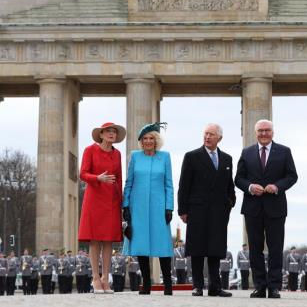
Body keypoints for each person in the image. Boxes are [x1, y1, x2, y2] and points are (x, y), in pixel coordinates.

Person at [234, 119, 298, 299]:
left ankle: (275, 287)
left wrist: (277, 187)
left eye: (267, 130)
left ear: (273, 132)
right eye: (260, 131)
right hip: (252, 207)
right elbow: (238, 179)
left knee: (275, 248)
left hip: (276, 207)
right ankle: (260, 286)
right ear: (256, 133)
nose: (263, 133)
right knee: (254, 248)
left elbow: (292, 176)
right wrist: (250, 187)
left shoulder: (284, 152)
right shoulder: (246, 153)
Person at [178, 123, 235, 297]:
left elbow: (229, 185)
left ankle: (215, 287)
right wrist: (183, 210)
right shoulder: (192, 156)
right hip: (197, 210)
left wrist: (230, 202)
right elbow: (184, 185)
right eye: (205, 134)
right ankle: (197, 286)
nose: (207, 137)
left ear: (219, 138)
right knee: (197, 249)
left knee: (215, 249)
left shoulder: (227, 159)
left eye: (211, 134)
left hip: (219, 211)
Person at [122, 122, 174, 295]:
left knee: (163, 245)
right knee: (141, 244)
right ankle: (146, 284)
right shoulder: (135, 156)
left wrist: (169, 207)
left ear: (156, 140)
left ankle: (168, 284)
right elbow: (128, 182)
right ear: (141, 141)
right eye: (145, 138)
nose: (148, 141)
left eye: (151, 138)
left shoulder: (165, 157)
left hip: (159, 207)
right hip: (138, 207)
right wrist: (126, 205)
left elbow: (169, 184)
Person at [79, 122, 126, 294]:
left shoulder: (117, 154)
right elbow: (83, 173)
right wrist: (97, 178)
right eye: (108, 131)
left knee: (108, 240)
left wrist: (121, 202)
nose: (111, 134)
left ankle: (106, 278)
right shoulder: (90, 150)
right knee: (95, 239)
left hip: (112, 200)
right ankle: (95, 278)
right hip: (94, 198)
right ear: (101, 134)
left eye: (114, 132)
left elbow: (119, 178)